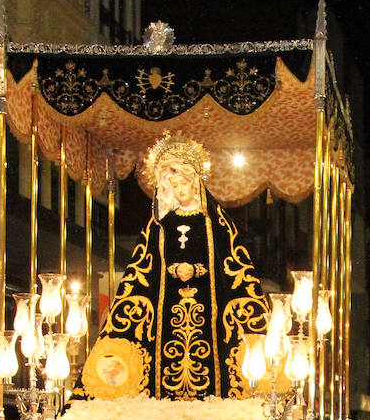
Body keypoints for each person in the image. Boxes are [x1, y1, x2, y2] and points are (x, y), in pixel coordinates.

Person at [73, 133, 268, 401]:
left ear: (195, 182)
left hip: (209, 312)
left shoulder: (217, 223)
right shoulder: (160, 225)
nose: (179, 189)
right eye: (173, 184)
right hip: (166, 313)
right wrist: (173, 270)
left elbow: (232, 269)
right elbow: (144, 270)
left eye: (183, 182)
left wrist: (198, 270)